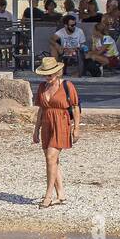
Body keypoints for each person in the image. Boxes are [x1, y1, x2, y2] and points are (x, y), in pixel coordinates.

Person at [31, 56, 79, 209]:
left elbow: (75, 107)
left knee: (51, 158)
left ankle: (48, 196)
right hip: (46, 123)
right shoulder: (42, 87)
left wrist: (76, 127)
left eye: (50, 74)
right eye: (45, 74)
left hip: (61, 122)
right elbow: (41, 109)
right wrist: (36, 129)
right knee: (52, 159)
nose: (47, 77)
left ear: (57, 73)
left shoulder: (67, 85)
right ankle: (61, 194)